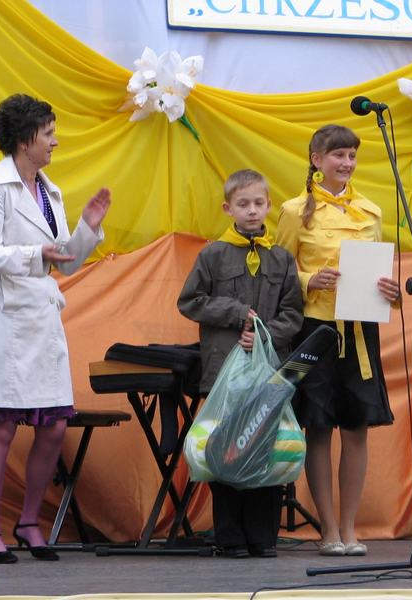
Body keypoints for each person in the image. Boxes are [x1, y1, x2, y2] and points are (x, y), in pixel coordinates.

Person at [0, 94, 111, 563]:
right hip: (4, 317)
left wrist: (88, 228)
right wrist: (36, 254)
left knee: (54, 426)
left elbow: (66, 261)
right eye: (49, 133)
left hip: (41, 317)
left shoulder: (49, 192)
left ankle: (28, 523)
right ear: (25, 140)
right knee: (1, 426)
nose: (55, 141)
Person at [276, 124, 399, 557]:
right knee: (319, 427)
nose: (346, 163)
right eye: (338, 155)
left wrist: (392, 292)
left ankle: (350, 528)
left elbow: (378, 272)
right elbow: (280, 272)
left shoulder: (371, 211)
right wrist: (309, 279)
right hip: (316, 329)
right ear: (317, 159)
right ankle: (327, 528)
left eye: (351, 156)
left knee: (357, 427)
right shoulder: (294, 211)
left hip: (361, 330)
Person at [178, 169, 303, 558]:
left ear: (269, 206)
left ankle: (262, 537)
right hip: (224, 375)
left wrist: (265, 335)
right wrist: (235, 314)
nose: (252, 211)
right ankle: (230, 537)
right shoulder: (212, 255)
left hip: (268, 373)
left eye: (258, 203)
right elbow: (190, 301)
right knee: (226, 449)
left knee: (267, 448)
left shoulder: (281, 259)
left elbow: (293, 314)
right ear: (227, 208)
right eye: (243, 204)